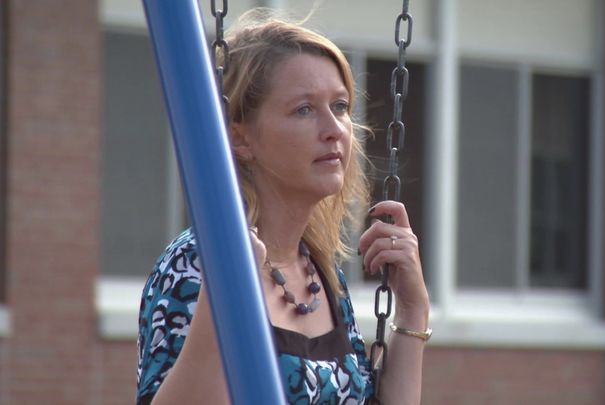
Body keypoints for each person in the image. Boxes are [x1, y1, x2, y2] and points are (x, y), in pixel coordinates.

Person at [136, 9, 430, 405]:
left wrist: (412, 311)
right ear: (240, 139)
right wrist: (225, 296)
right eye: (304, 109)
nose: (334, 130)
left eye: (340, 106)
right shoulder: (197, 263)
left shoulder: (320, 273)